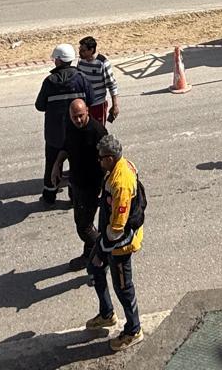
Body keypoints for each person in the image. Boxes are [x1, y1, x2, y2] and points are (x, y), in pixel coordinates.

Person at [86, 132, 145, 352]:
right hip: (110, 236)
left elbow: (118, 228)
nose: (99, 160)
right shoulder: (118, 167)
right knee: (93, 267)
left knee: (124, 288)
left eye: (101, 157)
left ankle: (133, 330)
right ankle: (107, 314)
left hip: (120, 243)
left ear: (110, 157)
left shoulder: (121, 182)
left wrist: (102, 250)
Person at [35, 43, 90, 206]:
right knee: (75, 165)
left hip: (54, 134)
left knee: (51, 164)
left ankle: (49, 196)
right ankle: (74, 197)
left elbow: (39, 106)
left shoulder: (49, 81)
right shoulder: (81, 79)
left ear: (58, 61)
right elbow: (91, 100)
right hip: (76, 133)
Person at [65, 97, 109, 269]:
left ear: (88, 112)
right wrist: (56, 166)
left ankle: (105, 253)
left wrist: (105, 184)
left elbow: (110, 159)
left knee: (84, 227)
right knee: (82, 223)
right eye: (74, 116)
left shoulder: (98, 131)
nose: (78, 120)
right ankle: (89, 254)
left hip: (91, 187)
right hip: (76, 183)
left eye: (81, 116)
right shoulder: (71, 126)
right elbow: (66, 147)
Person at [76, 35, 119, 123]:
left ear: (91, 50)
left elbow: (112, 85)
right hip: (84, 105)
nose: (80, 52)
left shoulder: (102, 63)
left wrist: (115, 105)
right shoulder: (81, 61)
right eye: (80, 49)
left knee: (98, 133)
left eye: (83, 50)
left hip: (98, 105)